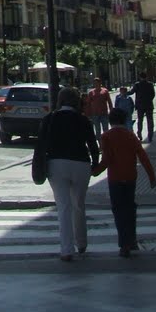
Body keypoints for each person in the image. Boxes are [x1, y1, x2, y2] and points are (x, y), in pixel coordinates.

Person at [35, 86, 99, 261]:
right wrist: (96, 163)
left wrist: (39, 165)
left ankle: (66, 249)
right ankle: (82, 242)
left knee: (63, 207)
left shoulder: (50, 119)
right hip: (81, 163)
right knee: (79, 204)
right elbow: (93, 144)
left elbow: (41, 144)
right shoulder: (83, 120)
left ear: (60, 101)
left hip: (56, 164)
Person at [92, 108, 156, 257]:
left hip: (115, 178)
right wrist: (151, 177)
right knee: (130, 208)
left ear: (110, 121)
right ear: (124, 120)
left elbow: (107, 160)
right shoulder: (130, 136)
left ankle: (124, 244)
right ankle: (132, 239)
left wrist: (94, 172)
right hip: (130, 176)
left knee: (118, 210)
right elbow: (143, 156)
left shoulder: (106, 136)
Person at [130, 72, 156, 142]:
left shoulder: (137, 84)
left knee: (140, 120)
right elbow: (153, 94)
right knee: (150, 121)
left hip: (140, 105)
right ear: (146, 77)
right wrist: (148, 100)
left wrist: (124, 92)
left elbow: (132, 92)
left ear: (140, 77)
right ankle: (150, 136)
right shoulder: (150, 84)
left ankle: (139, 133)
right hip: (149, 105)